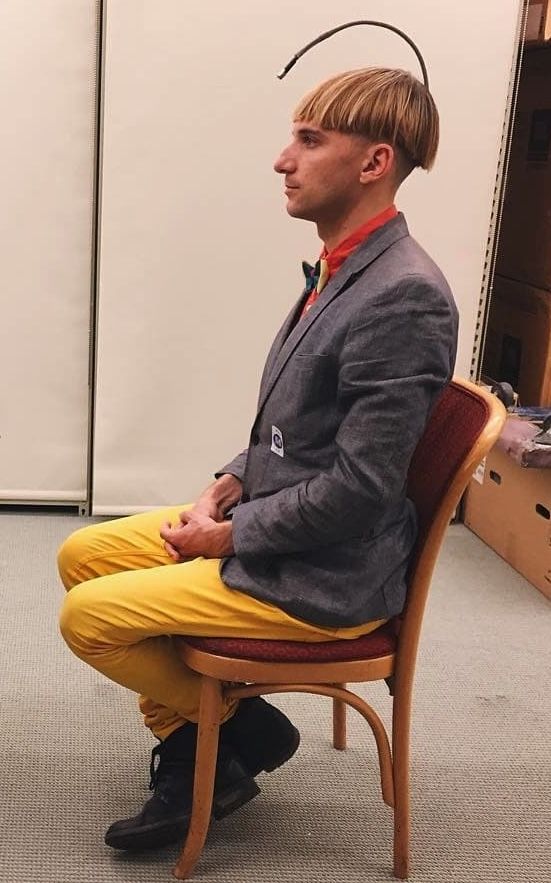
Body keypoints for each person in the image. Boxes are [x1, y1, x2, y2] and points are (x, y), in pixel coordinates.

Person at [58, 66, 458, 852]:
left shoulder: (403, 295)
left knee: (88, 618)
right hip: (280, 522)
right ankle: (219, 743)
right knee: (82, 554)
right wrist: (226, 485)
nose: (283, 159)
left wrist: (229, 536)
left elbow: (362, 487)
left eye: (309, 140)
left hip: (325, 570)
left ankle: (221, 733)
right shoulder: (343, 266)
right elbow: (296, 425)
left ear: (373, 162)